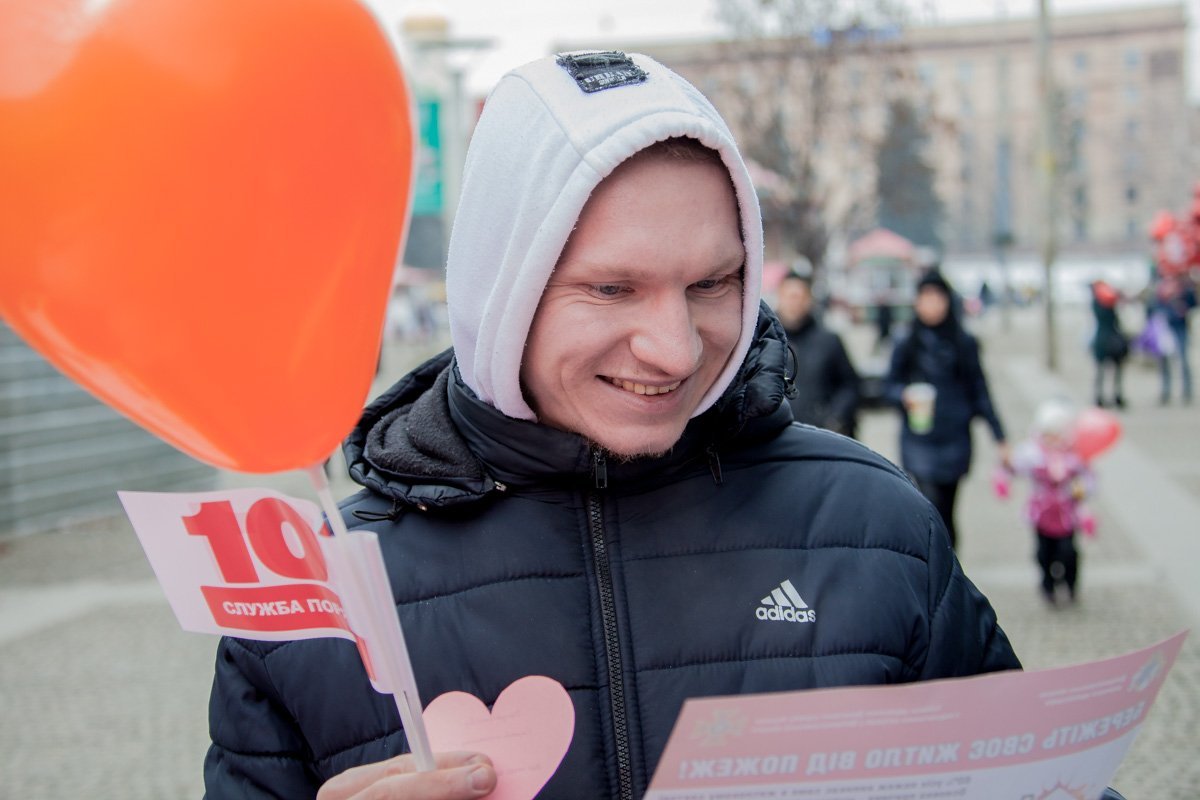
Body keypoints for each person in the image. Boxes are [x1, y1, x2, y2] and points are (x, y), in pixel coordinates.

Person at [204, 53, 1033, 800]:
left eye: (712, 283)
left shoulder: (872, 526)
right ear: (500, 290)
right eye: (612, 289)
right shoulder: (314, 609)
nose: (674, 350)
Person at [883, 269, 1010, 550]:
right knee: (929, 505)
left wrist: (1000, 438)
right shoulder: (906, 341)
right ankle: (934, 566)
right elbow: (887, 386)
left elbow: (980, 389)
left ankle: (949, 567)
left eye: (937, 298)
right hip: (919, 439)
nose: (931, 305)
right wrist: (904, 395)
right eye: (925, 298)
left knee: (948, 509)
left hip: (956, 437)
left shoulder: (963, 342)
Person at [998, 399, 1096, 606]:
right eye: (1048, 433)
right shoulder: (1033, 454)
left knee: (1068, 551)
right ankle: (1048, 584)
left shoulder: (1074, 456)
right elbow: (1015, 466)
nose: (1052, 438)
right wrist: (1005, 469)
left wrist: (1081, 490)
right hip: (1042, 513)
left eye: (1057, 433)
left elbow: (1088, 478)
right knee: (1044, 552)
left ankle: (1070, 582)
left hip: (1067, 513)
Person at [774, 270, 860, 437]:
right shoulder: (765, 342)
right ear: (780, 297)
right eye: (789, 296)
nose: (794, 302)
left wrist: (835, 418)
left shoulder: (829, 340)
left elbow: (850, 385)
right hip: (778, 437)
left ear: (809, 299)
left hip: (822, 435)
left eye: (799, 296)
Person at [1151, 272, 1196, 405]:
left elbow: (1193, 304)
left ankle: (1187, 391)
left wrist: (1183, 306)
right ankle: (1165, 391)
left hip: (1180, 328)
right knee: (1163, 362)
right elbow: (1152, 307)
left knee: (1183, 360)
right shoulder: (1160, 291)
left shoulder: (1185, 289)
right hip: (1165, 328)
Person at [1089, 279, 1128, 409]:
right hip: (1113, 338)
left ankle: (1100, 396)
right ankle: (1115, 395)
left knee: (1101, 371)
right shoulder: (1109, 303)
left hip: (1101, 338)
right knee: (1114, 371)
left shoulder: (1096, 303)